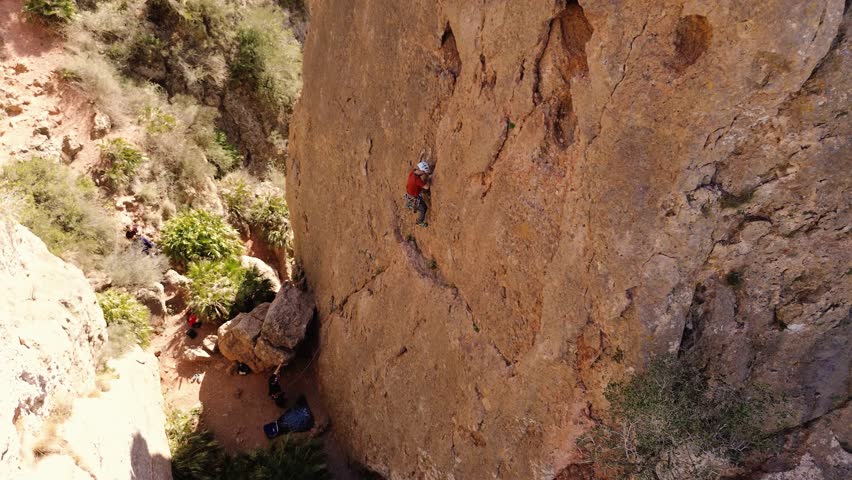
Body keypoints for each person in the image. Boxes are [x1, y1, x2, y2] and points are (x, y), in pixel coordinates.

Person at [406, 161, 431, 227]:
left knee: (420, 192)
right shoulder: (416, 180)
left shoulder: (413, 172)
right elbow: (426, 187)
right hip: (414, 196)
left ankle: (410, 204)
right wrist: (429, 179)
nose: (424, 173)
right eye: (423, 172)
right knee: (424, 208)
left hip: (410, 193)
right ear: (420, 170)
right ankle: (419, 221)